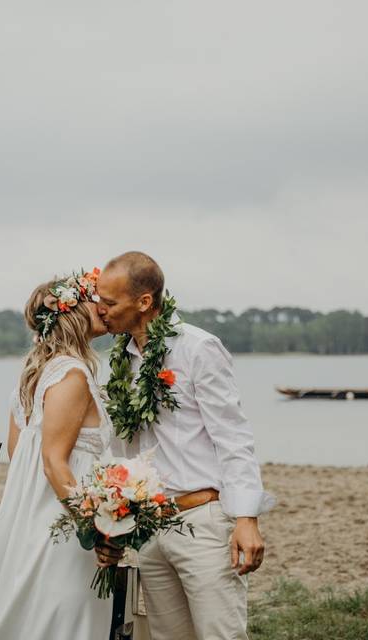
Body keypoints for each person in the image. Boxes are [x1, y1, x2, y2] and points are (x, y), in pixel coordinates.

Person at [95, 251, 275, 640]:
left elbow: (232, 435)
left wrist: (247, 518)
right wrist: (119, 518)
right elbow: (126, 448)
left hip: (202, 521)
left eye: (109, 302)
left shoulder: (198, 348)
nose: (101, 310)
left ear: (144, 302)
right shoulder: (121, 361)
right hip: (150, 528)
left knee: (220, 634)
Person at [0, 269, 114, 640]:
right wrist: (96, 530)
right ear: (72, 312)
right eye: (91, 297)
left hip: (37, 522)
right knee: (64, 622)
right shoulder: (71, 375)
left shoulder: (36, 374)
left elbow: (19, 455)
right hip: (67, 529)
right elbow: (53, 462)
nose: (101, 305)